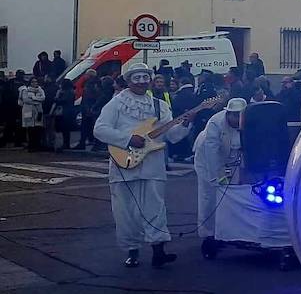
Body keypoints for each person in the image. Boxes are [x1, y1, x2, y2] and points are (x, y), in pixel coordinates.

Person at [94, 65, 192, 268]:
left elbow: (170, 136)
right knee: (126, 210)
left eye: (144, 78)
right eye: (136, 78)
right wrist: (128, 139)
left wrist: (184, 124)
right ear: (129, 81)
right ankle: (132, 251)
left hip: (153, 165)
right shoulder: (117, 103)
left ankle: (159, 251)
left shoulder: (159, 106)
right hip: (124, 165)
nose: (141, 82)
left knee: (155, 208)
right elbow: (100, 129)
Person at [194, 97, 246, 256]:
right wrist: (217, 176)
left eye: (241, 115)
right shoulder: (215, 123)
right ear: (228, 114)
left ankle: (226, 233)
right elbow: (212, 153)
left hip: (232, 160)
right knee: (209, 197)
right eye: (234, 115)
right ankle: (208, 236)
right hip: (207, 160)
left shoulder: (248, 123)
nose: (238, 119)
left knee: (231, 196)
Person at [19, 77, 46, 151]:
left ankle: (37, 145)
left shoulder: (40, 90)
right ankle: (31, 145)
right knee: (30, 129)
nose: (35, 83)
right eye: (33, 82)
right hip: (28, 111)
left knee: (38, 129)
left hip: (38, 111)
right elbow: (26, 100)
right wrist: (37, 101)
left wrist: (33, 98)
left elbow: (43, 98)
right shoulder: (26, 90)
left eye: (36, 82)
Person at [51, 78, 78, 151]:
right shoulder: (70, 91)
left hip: (66, 111)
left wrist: (56, 99)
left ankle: (66, 144)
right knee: (65, 129)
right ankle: (66, 143)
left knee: (65, 129)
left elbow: (64, 100)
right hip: (68, 111)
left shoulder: (68, 92)